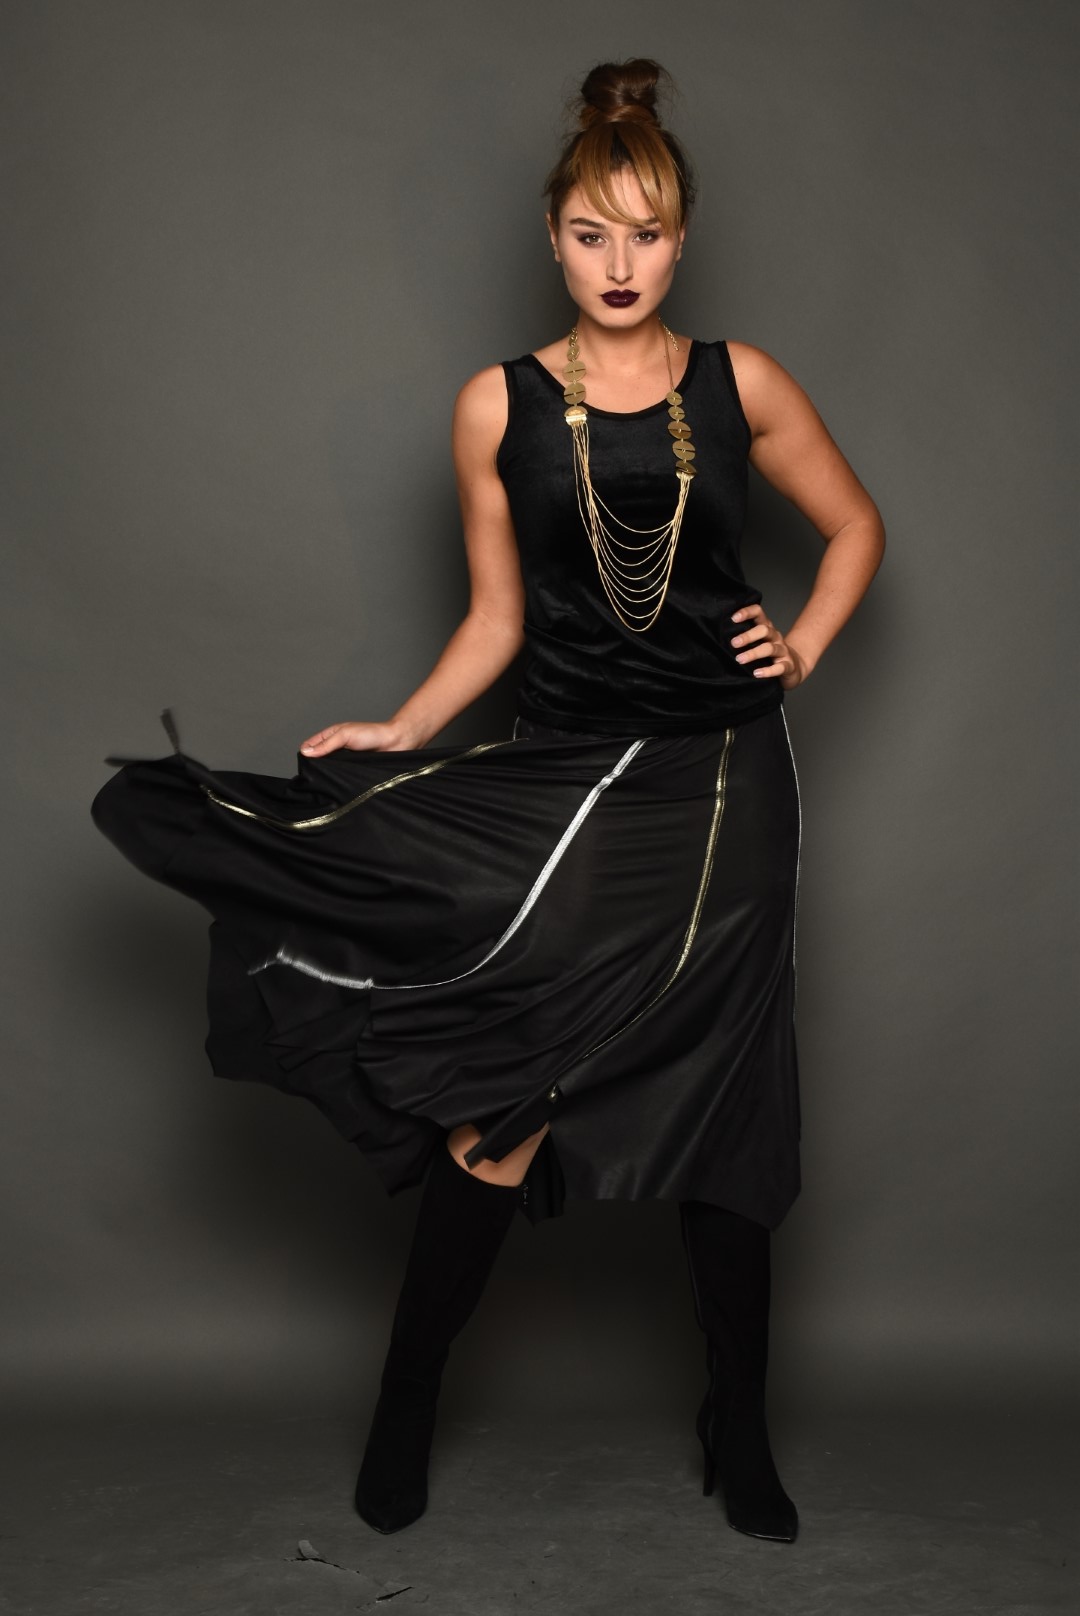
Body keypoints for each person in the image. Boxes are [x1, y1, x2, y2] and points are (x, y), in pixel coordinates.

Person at [91, 58, 884, 1547]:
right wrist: (401, 727)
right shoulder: (496, 406)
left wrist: (806, 644)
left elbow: (853, 527)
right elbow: (499, 621)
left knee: (729, 1101)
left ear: (682, 238)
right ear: (552, 237)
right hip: (571, 787)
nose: (619, 263)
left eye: (646, 233)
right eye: (592, 234)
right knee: (508, 1086)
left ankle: (741, 1425)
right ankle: (407, 1406)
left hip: (728, 788)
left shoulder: (744, 384)